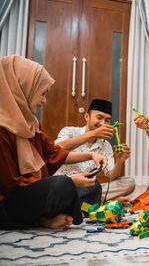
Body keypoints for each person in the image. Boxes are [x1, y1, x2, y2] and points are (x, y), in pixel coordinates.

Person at [0, 55, 107, 229]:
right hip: (8, 202)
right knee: (62, 184)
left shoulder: (31, 124)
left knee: (92, 185)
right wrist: (70, 181)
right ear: (21, 88)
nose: (44, 100)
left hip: (38, 192)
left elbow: (51, 153)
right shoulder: (2, 128)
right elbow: (10, 185)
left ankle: (68, 209)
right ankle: (42, 219)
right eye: (42, 93)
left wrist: (91, 155)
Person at [54, 99, 135, 206]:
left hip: (87, 189)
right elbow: (57, 149)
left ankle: (88, 202)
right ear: (87, 117)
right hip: (64, 185)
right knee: (89, 189)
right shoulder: (69, 131)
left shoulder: (105, 145)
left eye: (107, 120)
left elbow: (110, 176)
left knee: (129, 183)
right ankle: (100, 202)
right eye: (99, 118)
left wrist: (119, 161)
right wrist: (93, 134)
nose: (103, 123)